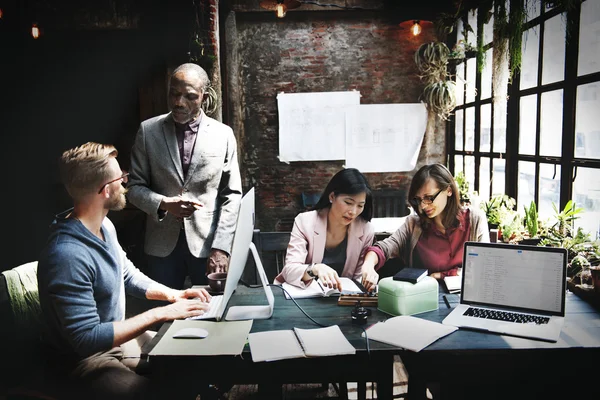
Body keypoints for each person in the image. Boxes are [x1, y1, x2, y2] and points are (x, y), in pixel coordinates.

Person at [38, 142, 212, 400]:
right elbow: (86, 339)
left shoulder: (103, 225)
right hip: (82, 361)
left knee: (190, 357)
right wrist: (162, 313)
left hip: (113, 344)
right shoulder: (68, 255)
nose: (125, 184)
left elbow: (126, 273)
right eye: (121, 178)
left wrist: (172, 295)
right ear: (106, 190)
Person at [127, 63, 242, 290]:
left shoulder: (223, 135)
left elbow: (232, 195)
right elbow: (133, 188)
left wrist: (221, 247)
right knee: (164, 314)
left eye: (189, 96)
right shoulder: (148, 131)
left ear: (204, 97)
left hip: (208, 245)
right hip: (161, 246)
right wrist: (164, 203)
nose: (179, 102)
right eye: (174, 94)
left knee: (211, 314)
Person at [360, 163, 490, 291]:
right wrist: (368, 265)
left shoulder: (475, 220)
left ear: (449, 190)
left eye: (429, 198)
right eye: (418, 199)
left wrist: (440, 275)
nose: (422, 206)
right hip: (423, 299)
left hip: (465, 298)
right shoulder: (414, 225)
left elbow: (483, 269)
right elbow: (385, 247)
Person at [275, 168, 376, 291]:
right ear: (332, 196)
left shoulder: (365, 230)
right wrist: (315, 269)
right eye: (348, 202)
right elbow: (289, 270)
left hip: (341, 299)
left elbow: (358, 278)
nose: (353, 212)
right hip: (303, 296)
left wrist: (369, 280)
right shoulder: (304, 222)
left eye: (360, 205)